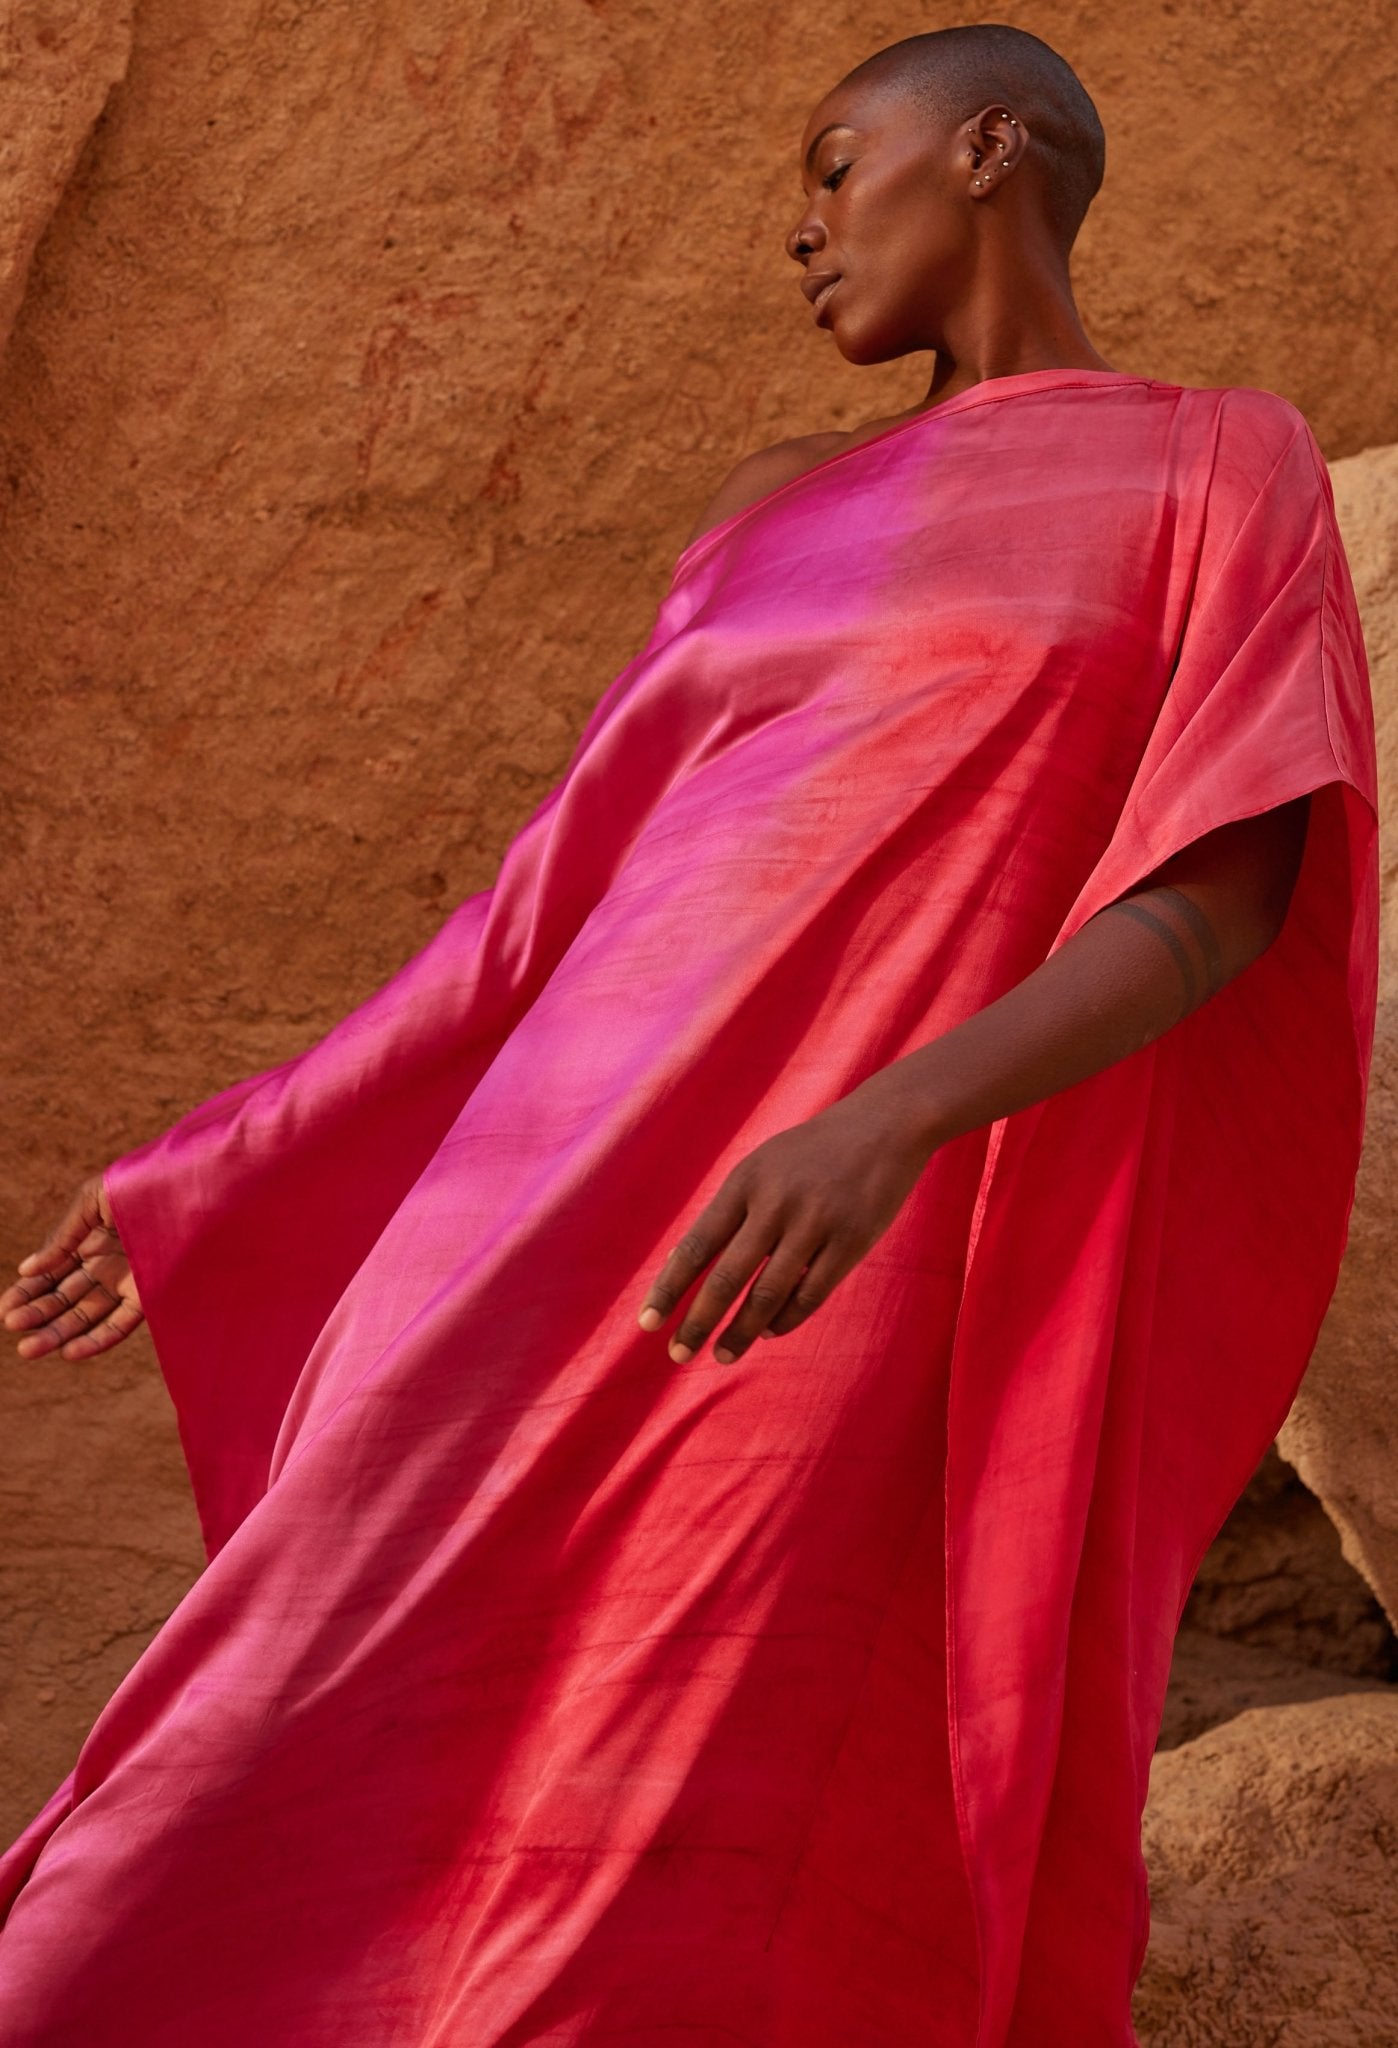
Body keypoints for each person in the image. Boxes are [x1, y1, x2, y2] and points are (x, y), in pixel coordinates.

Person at [0, 22, 1377, 2048]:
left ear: (991, 147)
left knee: (699, 1777)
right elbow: (535, 920)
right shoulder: (770, 499)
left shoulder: (1214, 460)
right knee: (248, 1739)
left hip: (820, 1243)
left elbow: (1223, 893)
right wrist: (222, 1161)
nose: (804, 232)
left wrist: (890, 1123)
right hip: (525, 1210)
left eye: (839, 167)